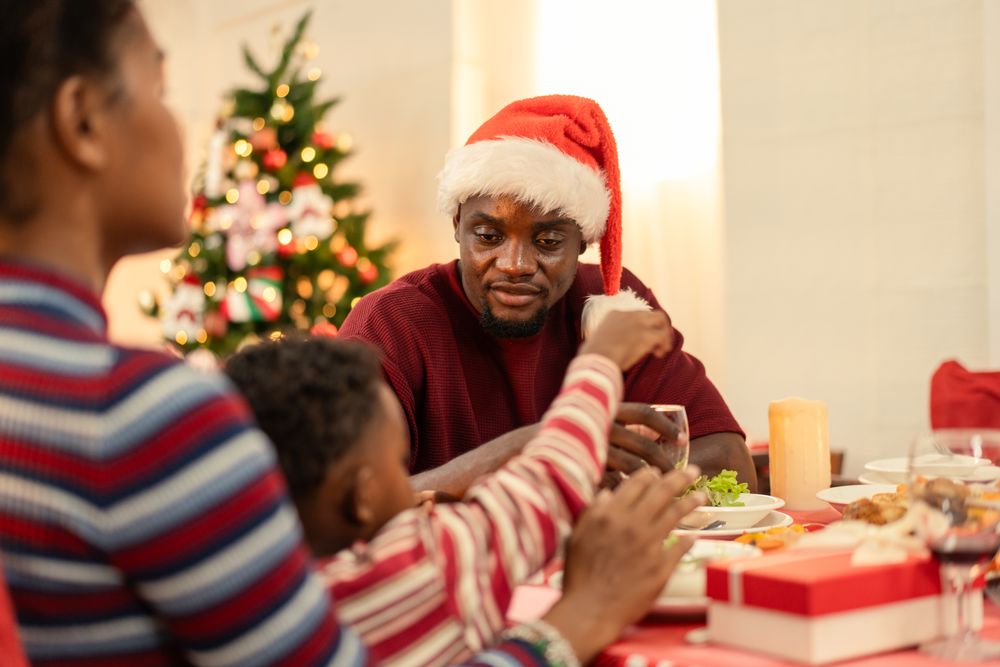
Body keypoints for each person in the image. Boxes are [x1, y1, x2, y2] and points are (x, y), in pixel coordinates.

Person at [0, 3, 693, 665]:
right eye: (160, 87)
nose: (185, 126)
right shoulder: (146, 422)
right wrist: (578, 620)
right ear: (83, 121)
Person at [224, 312, 705, 665]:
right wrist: (600, 359)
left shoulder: (247, 597)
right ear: (363, 496)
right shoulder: (418, 567)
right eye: (397, 461)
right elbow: (551, 475)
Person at [339, 94, 755, 498]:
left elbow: (727, 456)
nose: (515, 264)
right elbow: (347, 504)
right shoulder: (392, 322)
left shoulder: (610, 306)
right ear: (457, 224)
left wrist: (595, 492)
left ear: (582, 242)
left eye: (549, 240)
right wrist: (539, 448)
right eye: (488, 236)